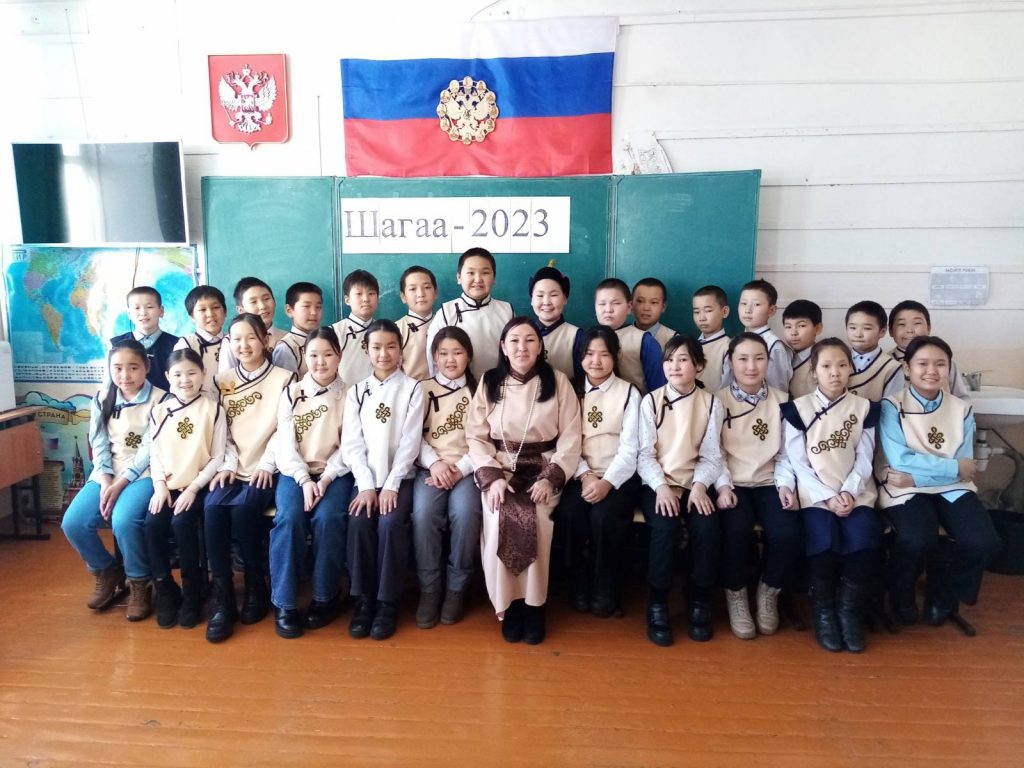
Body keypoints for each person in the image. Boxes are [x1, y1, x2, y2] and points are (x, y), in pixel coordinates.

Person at [466, 317, 582, 645]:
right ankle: (509, 605)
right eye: (514, 341)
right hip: (501, 468)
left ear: (540, 345)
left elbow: (571, 437)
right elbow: (475, 436)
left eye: (530, 340)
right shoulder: (490, 381)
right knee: (497, 515)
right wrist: (492, 479)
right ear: (503, 347)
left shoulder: (557, 381)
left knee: (539, 519)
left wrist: (551, 478)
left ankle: (534, 606)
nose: (522, 347)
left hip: (542, 468)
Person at [877, 335, 1000, 626]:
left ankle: (943, 595)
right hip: (904, 488)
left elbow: (965, 465)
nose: (931, 370)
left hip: (942, 486)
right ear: (907, 369)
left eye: (940, 364)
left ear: (949, 368)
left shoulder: (961, 408)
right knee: (917, 538)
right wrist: (951, 467)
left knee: (983, 541)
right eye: (922, 363)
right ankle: (901, 596)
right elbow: (900, 459)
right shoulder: (891, 406)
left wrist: (918, 476)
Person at [780, 338, 883, 653]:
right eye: (826, 366)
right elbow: (798, 461)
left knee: (864, 539)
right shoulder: (798, 409)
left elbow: (865, 457)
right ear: (814, 371)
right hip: (815, 494)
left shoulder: (864, 408)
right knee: (822, 543)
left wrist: (849, 491)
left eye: (841, 365)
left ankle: (848, 611)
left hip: (856, 493)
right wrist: (826, 495)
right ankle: (824, 612)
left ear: (850, 368)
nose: (834, 372)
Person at [203, 314, 295, 643]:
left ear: (265, 341)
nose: (244, 345)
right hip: (231, 466)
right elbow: (221, 431)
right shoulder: (222, 381)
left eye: (251, 338)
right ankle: (223, 597)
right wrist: (228, 464)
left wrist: (266, 465)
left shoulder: (285, 378)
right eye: (237, 339)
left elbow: (285, 430)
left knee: (244, 512)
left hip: (266, 467)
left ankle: (257, 586)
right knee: (212, 510)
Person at [61, 340, 164, 621]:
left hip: (144, 474)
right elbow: (99, 442)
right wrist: (106, 479)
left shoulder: (161, 399)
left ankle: (140, 581)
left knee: (124, 520)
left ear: (147, 367)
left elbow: (151, 449)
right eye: (117, 368)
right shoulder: (103, 398)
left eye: (133, 368)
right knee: (73, 523)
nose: (125, 375)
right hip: (106, 473)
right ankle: (107, 570)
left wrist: (121, 483)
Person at [637, 335, 723, 646]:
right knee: (666, 528)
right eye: (669, 360)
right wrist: (661, 487)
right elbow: (644, 454)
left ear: (699, 366)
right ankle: (657, 601)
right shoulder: (651, 401)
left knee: (707, 526)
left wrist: (699, 488)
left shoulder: (711, 403)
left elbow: (712, 455)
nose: (674, 366)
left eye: (683, 359)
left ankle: (699, 597)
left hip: (695, 482)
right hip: (658, 482)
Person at [714, 333, 801, 638]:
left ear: (768, 362)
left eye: (759, 358)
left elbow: (787, 453)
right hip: (733, 482)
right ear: (730, 362)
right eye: (743, 359)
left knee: (788, 533)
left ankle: (769, 590)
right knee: (735, 532)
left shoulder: (783, 400)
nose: (751, 366)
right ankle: (736, 593)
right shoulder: (717, 401)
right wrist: (723, 487)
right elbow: (714, 453)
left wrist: (786, 485)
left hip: (770, 482)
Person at [343, 320, 425, 641]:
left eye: (391, 346)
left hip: (399, 478)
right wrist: (366, 485)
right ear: (366, 350)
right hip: (366, 478)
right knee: (359, 521)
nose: (384, 353)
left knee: (390, 523)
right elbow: (352, 445)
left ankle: (388, 601)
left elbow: (410, 442)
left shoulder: (413, 388)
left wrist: (391, 484)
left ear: (401, 349)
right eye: (376, 347)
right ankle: (364, 600)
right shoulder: (356, 392)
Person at [270, 327, 354, 639]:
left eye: (327, 354)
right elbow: (284, 444)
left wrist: (327, 476)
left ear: (339, 357)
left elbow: (350, 446)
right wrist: (304, 479)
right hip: (296, 472)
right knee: (289, 519)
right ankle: (284, 603)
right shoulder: (292, 393)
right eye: (314, 355)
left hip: (336, 473)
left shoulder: (351, 395)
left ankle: (325, 597)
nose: (320, 362)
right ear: (304, 356)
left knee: (328, 518)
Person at [553, 326, 640, 617]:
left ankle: (607, 583)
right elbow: (566, 441)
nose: (596, 361)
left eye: (604, 354)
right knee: (569, 514)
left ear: (616, 357)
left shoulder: (629, 393)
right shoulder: (571, 390)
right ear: (581, 357)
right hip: (580, 474)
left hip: (619, 477)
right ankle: (577, 578)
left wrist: (607, 482)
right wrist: (586, 475)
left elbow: (631, 448)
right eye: (589, 354)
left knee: (604, 517)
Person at [145, 349, 227, 630]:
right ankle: (166, 589)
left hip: (198, 485)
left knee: (182, 524)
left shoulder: (214, 409)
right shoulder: (159, 412)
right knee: (152, 524)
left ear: (203, 374)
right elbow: (154, 454)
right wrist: (159, 486)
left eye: (191, 373)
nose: (185, 380)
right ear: (168, 376)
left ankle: (193, 591)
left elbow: (218, 456)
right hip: (167, 486)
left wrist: (193, 488)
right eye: (178, 374)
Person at [411, 327, 482, 628]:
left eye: (458, 352)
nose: (450, 360)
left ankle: (456, 588)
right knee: (423, 514)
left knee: (465, 514)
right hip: (431, 468)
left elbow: (487, 440)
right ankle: (429, 589)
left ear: (469, 356)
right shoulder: (421, 388)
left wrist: (460, 469)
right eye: (443, 353)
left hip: (469, 469)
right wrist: (436, 463)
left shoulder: (481, 390)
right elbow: (412, 437)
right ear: (434, 358)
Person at [426, 247, 514, 380]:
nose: (477, 279)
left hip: (499, 385)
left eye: (485, 273)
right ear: (459, 277)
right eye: (470, 273)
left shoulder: (507, 311)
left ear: (494, 278)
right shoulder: (446, 313)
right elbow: (433, 357)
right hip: (458, 387)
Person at [594, 278, 666, 395]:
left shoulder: (645, 341)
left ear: (629, 307)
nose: (608, 310)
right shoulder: (588, 339)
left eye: (616, 303)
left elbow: (658, 390)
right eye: (602, 304)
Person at [887, 300, 971, 399]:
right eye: (902, 324)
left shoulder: (944, 361)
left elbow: (962, 397)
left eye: (917, 323)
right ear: (891, 331)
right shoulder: (885, 363)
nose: (910, 330)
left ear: (929, 328)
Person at [722, 279, 792, 392]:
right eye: (743, 303)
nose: (748, 310)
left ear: (771, 310)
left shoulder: (774, 346)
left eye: (756, 304)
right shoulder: (733, 342)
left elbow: (778, 391)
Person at [110, 285, 178, 392]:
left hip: (166, 400)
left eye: (149, 307)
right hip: (127, 402)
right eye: (137, 308)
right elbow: (109, 385)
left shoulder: (176, 344)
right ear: (129, 313)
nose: (143, 313)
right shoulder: (115, 344)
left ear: (161, 311)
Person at [219, 277, 286, 372]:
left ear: (274, 302)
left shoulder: (286, 337)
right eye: (253, 302)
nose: (263, 306)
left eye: (266, 299)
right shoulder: (232, 341)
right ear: (241, 310)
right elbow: (227, 378)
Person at [529, 263, 582, 381]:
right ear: (531, 299)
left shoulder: (576, 335)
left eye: (553, 295)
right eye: (540, 295)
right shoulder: (521, 333)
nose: (546, 302)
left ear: (565, 298)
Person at [174, 285, 227, 397]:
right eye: (202, 309)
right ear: (192, 316)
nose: (210, 314)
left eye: (216, 307)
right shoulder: (186, 344)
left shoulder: (234, 339)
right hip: (201, 404)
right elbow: (178, 383)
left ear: (225, 311)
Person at [845, 300, 903, 401]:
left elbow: (891, 406)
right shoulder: (836, 359)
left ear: (882, 331)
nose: (858, 334)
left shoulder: (892, 367)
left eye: (867, 328)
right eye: (852, 328)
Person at [331, 269, 379, 386]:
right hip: (345, 394)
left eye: (371, 293)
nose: (366, 299)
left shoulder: (385, 331)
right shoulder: (334, 332)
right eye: (359, 294)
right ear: (347, 300)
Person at [272, 282, 324, 377]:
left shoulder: (325, 341)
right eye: (306, 306)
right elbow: (287, 384)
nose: (314, 312)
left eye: (318, 307)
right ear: (289, 310)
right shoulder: (286, 348)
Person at [396, 265, 438, 382]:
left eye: (427, 287)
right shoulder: (396, 329)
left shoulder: (445, 323)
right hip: (410, 390)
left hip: (446, 390)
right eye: (412, 289)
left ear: (435, 293)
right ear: (403, 296)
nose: (420, 294)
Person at [692, 285, 731, 393]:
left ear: (724, 312)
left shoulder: (728, 347)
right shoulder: (690, 346)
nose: (701, 318)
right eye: (696, 312)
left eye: (708, 311)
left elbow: (728, 388)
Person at [782, 299, 823, 399]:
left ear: (818, 328)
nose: (793, 333)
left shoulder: (823, 359)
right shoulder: (783, 356)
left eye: (801, 326)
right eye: (788, 327)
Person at [632, 277, 676, 350]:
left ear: (663, 307)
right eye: (640, 301)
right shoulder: (619, 336)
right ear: (631, 304)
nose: (646, 308)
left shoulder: (673, 340)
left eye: (654, 302)